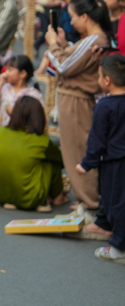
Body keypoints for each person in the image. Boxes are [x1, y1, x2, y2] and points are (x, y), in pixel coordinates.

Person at [44, 0, 113, 211]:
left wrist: (53, 45)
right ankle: (87, 200)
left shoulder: (95, 40)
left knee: (79, 152)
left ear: (84, 16)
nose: (71, 22)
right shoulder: (93, 40)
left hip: (76, 100)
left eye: (73, 17)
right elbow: (74, 62)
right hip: (74, 99)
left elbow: (64, 66)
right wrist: (63, 45)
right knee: (75, 150)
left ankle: (90, 203)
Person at [78, 54, 125, 264]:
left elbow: (97, 139)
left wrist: (87, 163)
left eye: (99, 76)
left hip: (115, 163)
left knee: (116, 204)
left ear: (107, 80)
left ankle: (119, 248)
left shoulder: (105, 106)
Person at [0, 97, 66, 212]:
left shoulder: (1, 132)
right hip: (30, 198)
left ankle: (11, 200)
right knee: (52, 162)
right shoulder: (42, 141)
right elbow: (61, 161)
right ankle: (57, 197)